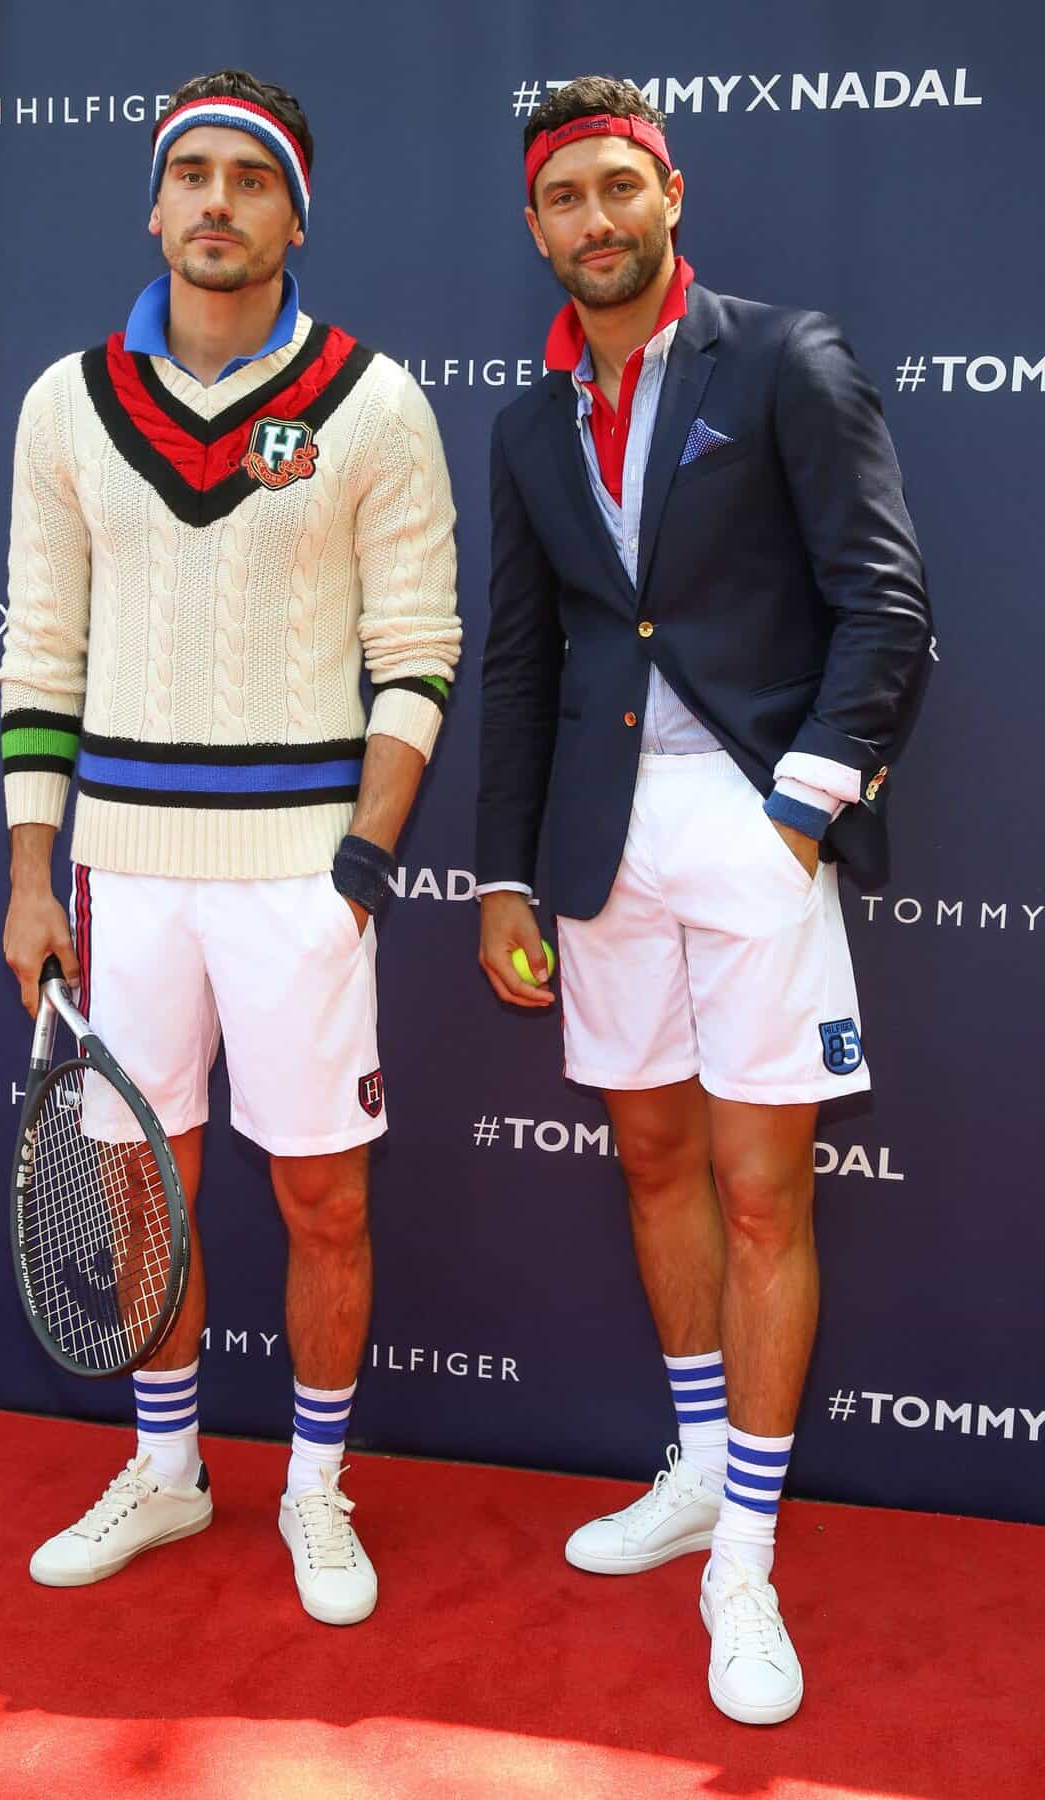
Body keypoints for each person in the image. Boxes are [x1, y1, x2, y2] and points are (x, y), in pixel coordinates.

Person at [476, 76, 929, 1722]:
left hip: (754, 821)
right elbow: (521, 659)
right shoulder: (528, 424)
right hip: (600, 844)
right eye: (564, 198)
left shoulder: (786, 357)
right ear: (536, 227)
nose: (594, 221)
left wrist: (801, 812)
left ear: (672, 196)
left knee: (758, 1196)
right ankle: (690, 1471)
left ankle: (747, 1552)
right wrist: (507, 866)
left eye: (619, 187)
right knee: (657, 1159)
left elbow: (886, 604)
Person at [0, 67, 460, 1626]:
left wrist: (362, 863)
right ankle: (170, 1466)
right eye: (190, 174)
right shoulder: (65, 405)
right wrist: (30, 875)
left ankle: (316, 1487)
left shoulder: (374, 402)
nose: (216, 201)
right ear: (154, 207)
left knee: (325, 1203)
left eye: (249, 179)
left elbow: (418, 651)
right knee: (146, 1197)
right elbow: (40, 654)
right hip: (124, 876)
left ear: (294, 215)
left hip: (299, 879)